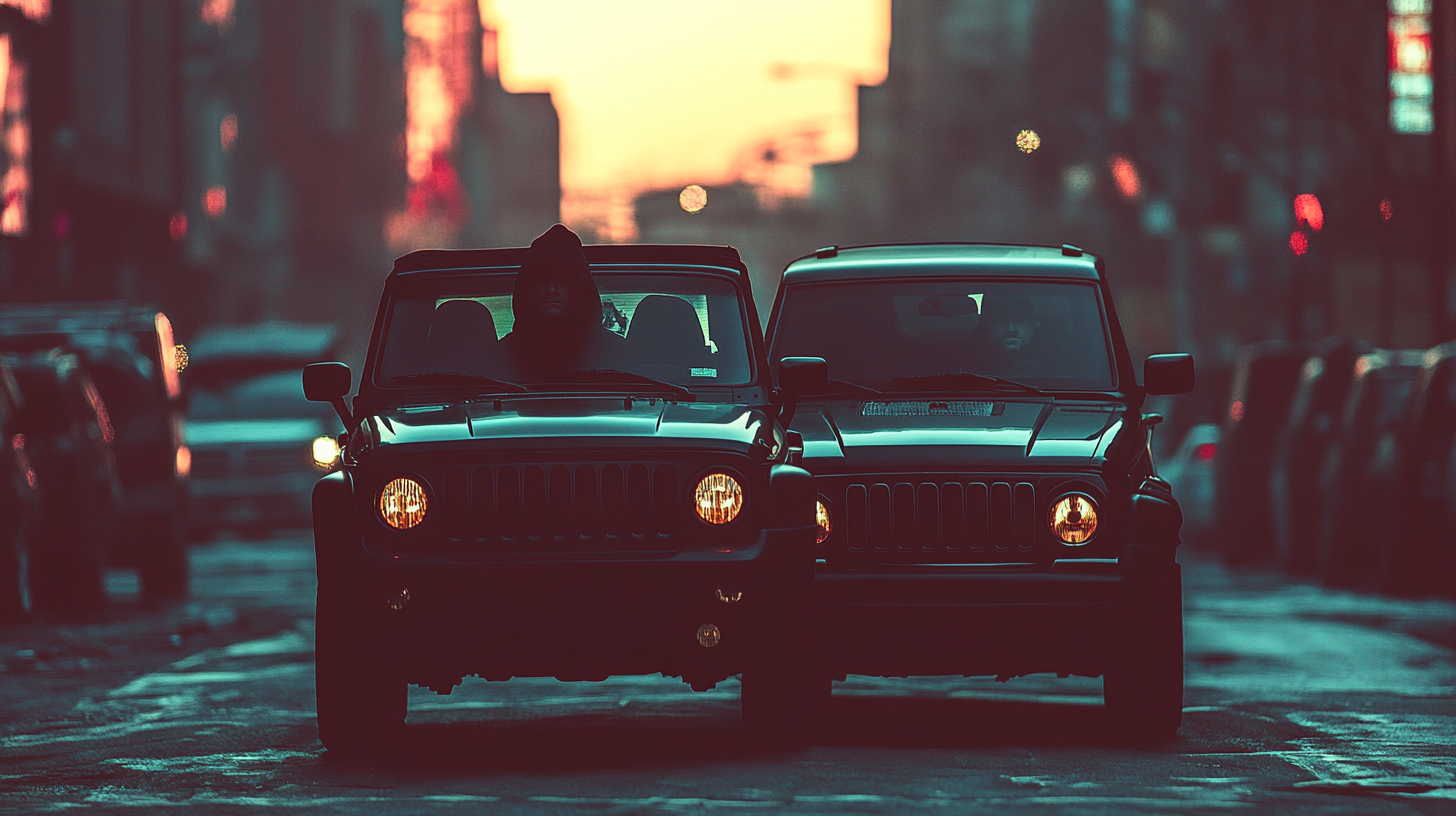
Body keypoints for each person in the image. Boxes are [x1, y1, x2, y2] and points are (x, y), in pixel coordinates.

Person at [500, 223, 623, 377]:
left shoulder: (617, 356)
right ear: (530, 289)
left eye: (561, 280)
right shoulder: (501, 357)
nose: (551, 290)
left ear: (577, 288)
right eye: (542, 280)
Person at [975, 294, 1042, 375]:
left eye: (1019, 321)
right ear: (988, 327)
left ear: (1033, 325)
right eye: (1001, 322)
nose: (1011, 329)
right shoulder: (968, 362)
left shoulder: (1055, 361)